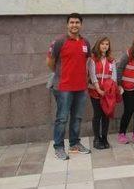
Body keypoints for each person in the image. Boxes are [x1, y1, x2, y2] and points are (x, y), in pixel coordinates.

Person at [46, 13, 92, 160]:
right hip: (63, 87)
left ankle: (74, 144)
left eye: (77, 22)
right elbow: (50, 61)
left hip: (81, 87)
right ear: (67, 25)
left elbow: (87, 61)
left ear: (81, 25)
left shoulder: (86, 43)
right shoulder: (59, 41)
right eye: (71, 22)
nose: (74, 25)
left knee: (77, 117)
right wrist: (59, 74)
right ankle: (59, 147)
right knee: (62, 118)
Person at [87, 36, 118, 150]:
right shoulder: (93, 59)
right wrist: (98, 88)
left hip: (107, 91)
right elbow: (92, 74)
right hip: (95, 91)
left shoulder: (111, 60)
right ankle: (96, 138)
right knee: (97, 114)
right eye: (102, 44)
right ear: (98, 45)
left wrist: (111, 89)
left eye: (107, 44)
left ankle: (104, 137)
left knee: (106, 114)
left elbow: (114, 76)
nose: (105, 46)